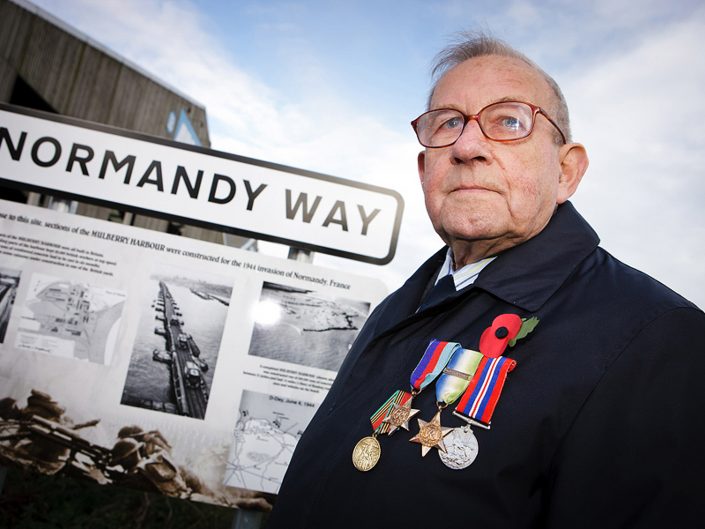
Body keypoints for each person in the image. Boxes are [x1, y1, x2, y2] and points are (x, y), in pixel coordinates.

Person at [265, 33, 705, 529]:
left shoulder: (657, 339)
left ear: (566, 171)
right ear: (424, 168)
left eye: (509, 122)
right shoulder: (398, 308)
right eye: (449, 123)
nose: (467, 146)